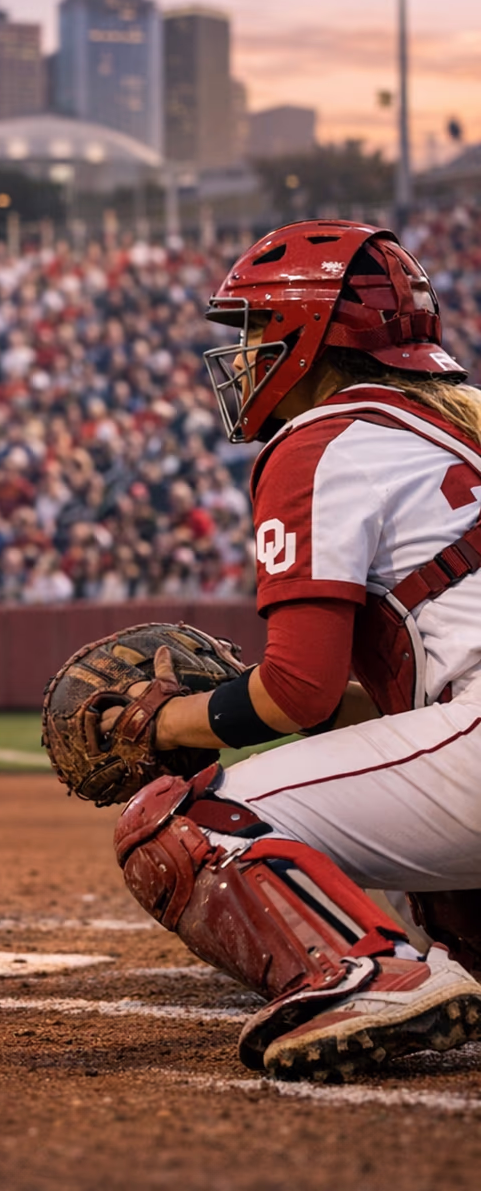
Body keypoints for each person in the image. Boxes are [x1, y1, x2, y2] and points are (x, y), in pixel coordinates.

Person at [112, 219, 481, 1082]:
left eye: (253, 331)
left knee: (181, 823)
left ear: (306, 336)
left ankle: (363, 977)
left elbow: (301, 692)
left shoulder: (322, 439)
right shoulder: (456, 429)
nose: (242, 357)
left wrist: (173, 722)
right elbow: (365, 718)